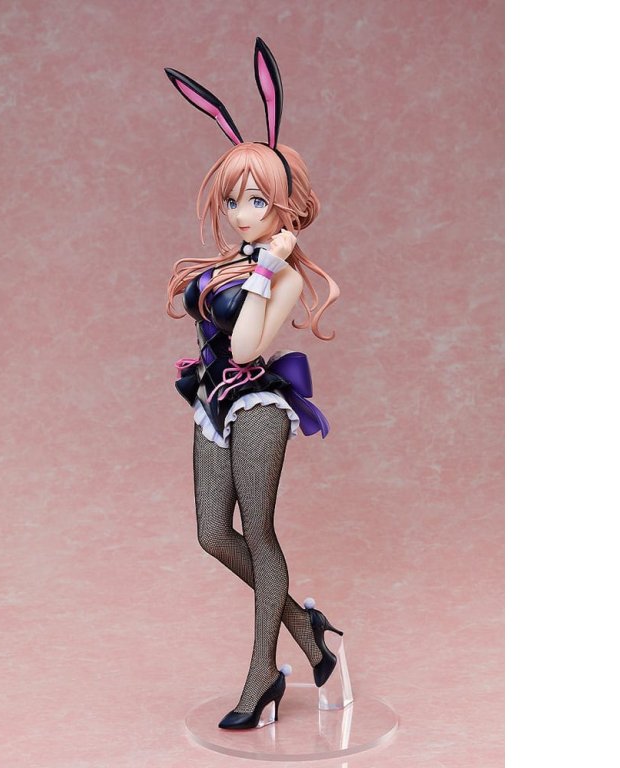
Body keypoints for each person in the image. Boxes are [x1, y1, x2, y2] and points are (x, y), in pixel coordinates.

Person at [163, 38, 345, 730]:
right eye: (235, 200)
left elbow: (245, 345)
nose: (242, 213)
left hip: (259, 405)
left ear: (285, 206)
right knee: (213, 534)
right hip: (212, 401)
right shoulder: (227, 264)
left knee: (258, 532)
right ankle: (308, 630)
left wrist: (269, 267)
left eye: (257, 201)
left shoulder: (283, 275)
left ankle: (263, 672)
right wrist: (246, 267)